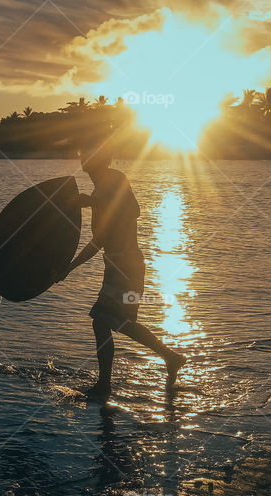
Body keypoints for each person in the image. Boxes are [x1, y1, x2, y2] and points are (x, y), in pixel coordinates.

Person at [55, 135, 186, 400]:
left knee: (102, 322)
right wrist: (69, 267)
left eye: (90, 155)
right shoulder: (99, 189)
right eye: (83, 155)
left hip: (127, 265)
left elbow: (131, 211)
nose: (85, 159)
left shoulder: (114, 179)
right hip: (117, 265)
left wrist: (94, 204)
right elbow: (99, 241)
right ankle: (171, 357)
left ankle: (105, 386)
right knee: (121, 323)